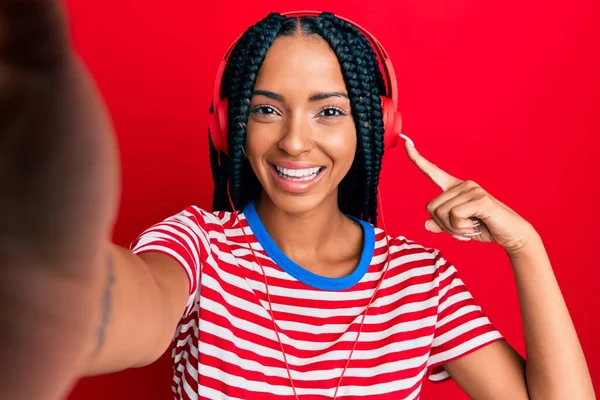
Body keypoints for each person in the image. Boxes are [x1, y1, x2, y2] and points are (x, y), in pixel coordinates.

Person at [0, 2, 595, 400]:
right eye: (266, 109)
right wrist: (48, 286)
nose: (294, 139)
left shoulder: (420, 281)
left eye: (329, 111)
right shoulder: (198, 247)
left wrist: (526, 246)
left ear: (373, 125)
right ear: (228, 126)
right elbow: (137, 310)